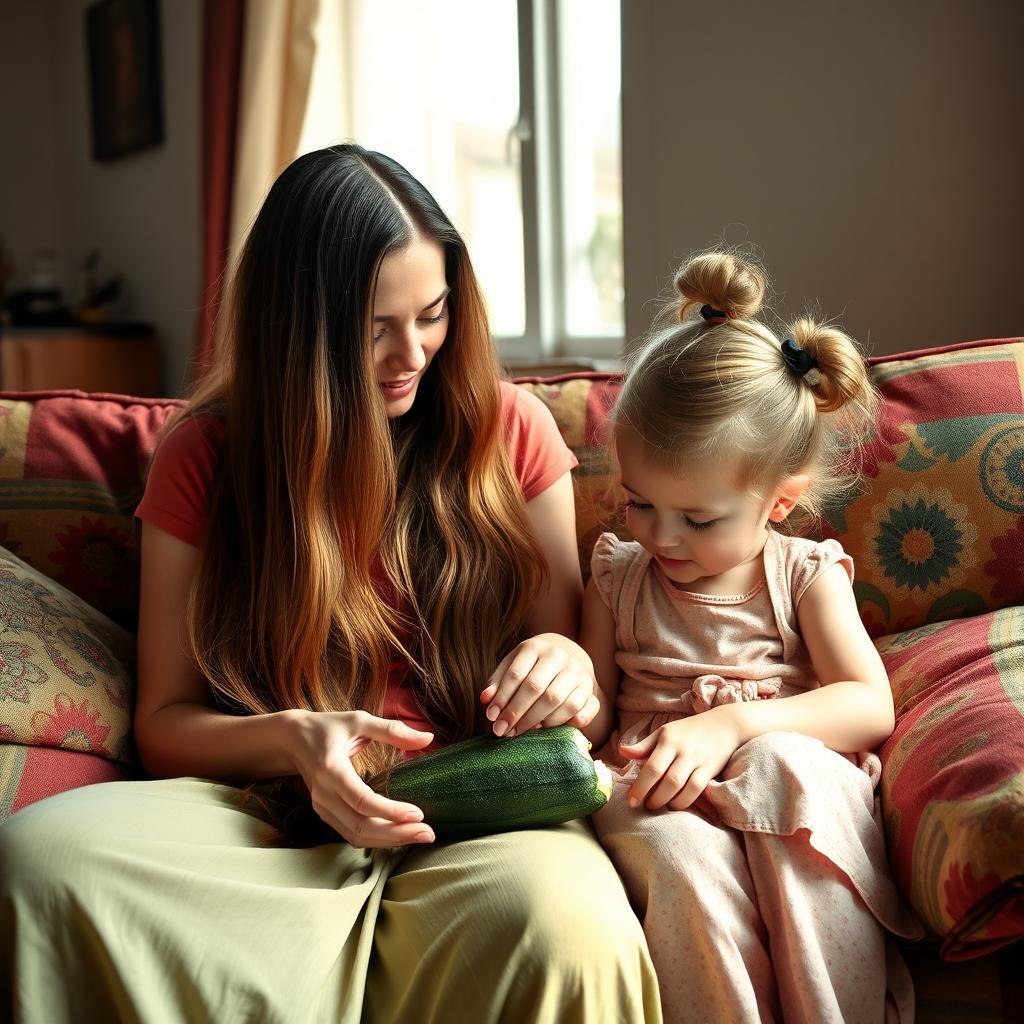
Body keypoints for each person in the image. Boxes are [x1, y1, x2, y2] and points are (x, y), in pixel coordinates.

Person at [0, 145, 661, 1023]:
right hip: (264, 812)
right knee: (42, 859)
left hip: (482, 819)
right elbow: (164, 725)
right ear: (293, 325)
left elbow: (586, 692)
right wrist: (293, 744)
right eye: (372, 324)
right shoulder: (207, 457)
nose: (411, 353)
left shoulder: (511, 432)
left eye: (432, 315)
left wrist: (566, 665)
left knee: (570, 931)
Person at [506, 250, 922, 1022]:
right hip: (661, 790)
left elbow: (869, 705)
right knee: (673, 851)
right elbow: (598, 715)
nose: (661, 536)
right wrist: (562, 689)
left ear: (779, 501)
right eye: (638, 503)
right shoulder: (616, 575)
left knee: (779, 765)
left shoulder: (802, 575)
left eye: (697, 519)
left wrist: (731, 722)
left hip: (787, 776)